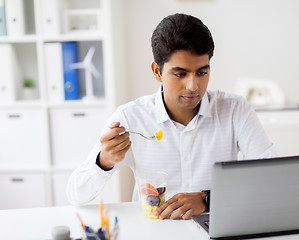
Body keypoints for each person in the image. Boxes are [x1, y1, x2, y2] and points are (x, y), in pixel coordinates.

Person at [67, 13, 276, 220]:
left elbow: (272, 180)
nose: (193, 86)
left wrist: (207, 200)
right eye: (180, 74)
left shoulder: (234, 110)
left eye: (202, 72)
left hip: (216, 230)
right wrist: (105, 161)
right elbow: (76, 194)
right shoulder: (131, 117)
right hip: (154, 231)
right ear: (157, 72)